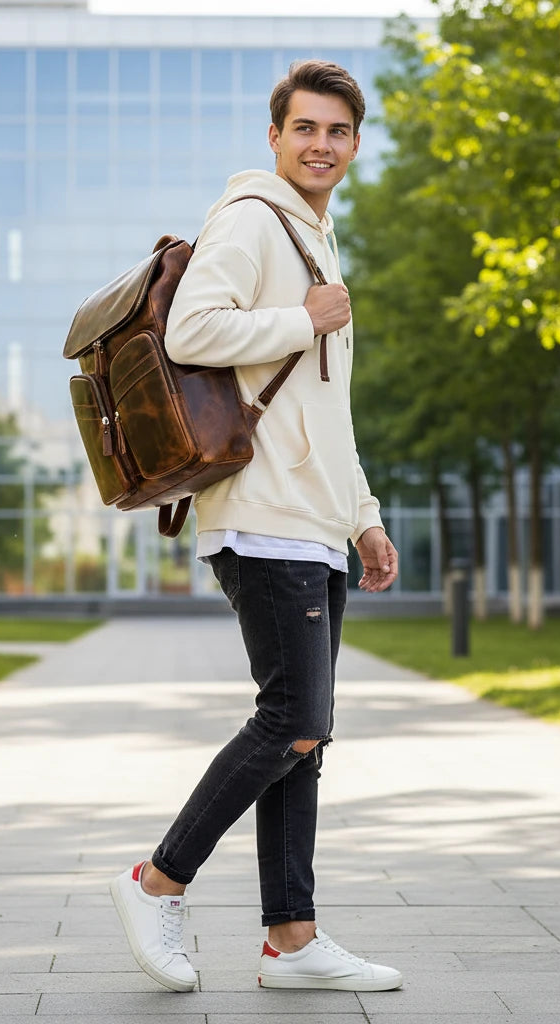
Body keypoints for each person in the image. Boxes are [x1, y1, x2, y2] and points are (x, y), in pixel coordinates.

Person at [109, 59, 402, 994]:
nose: (321, 144)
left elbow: (328, 412)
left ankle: (292, 939)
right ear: (273, 136)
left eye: (339, 132)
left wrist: (365, 517)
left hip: (314, 523)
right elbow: (192, 332)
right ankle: (156, 881)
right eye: (306, 128)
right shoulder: (248, 219)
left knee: (308, 738)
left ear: (355, 145)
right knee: (291, 718)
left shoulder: (320, 241)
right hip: (262, 518)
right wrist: (298, 317)